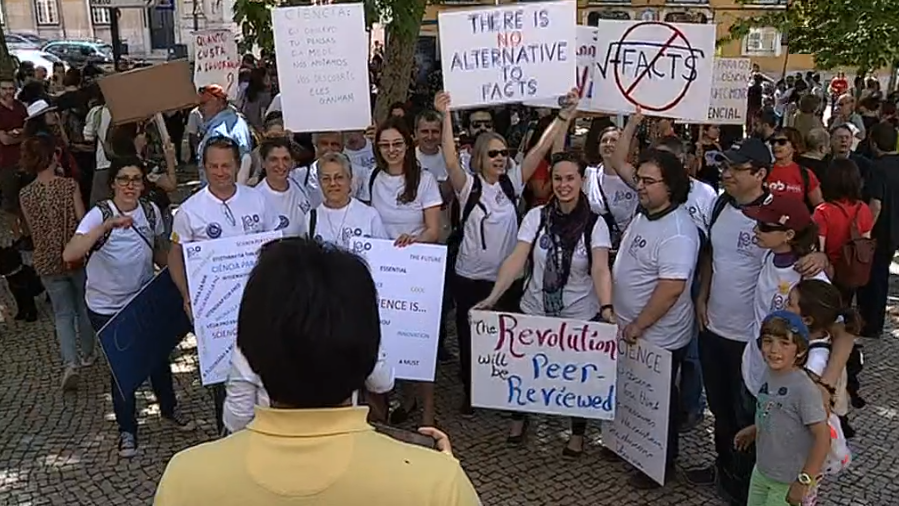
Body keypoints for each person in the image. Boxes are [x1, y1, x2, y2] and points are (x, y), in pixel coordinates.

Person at [154, 238, 480, 506]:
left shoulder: (186, 480)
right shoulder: (436, 483)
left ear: (248, 351)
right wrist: (441, 473)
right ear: (369, 349)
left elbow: (235, 417)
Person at [435, 90, 569, 414]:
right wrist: (445, 114)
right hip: (470, 277)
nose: (499, 158)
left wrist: (564, 116)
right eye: (492, 153)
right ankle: (471, 390)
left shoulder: (512, 183)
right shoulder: (469, 186)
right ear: (480, 157)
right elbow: (450, 158)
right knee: (469, 337)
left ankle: (505, 390)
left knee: (508, 336)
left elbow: (539, 150)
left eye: (503, 153)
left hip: (506, 280)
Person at [62, 157, 194, 458]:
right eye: (124, 179)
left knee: (158, 356)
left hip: (142, 299)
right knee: (124, 367)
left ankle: (169, 408)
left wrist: (184, 274)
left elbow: (158, 251)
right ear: (113, 183)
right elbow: (70, 253)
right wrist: (107, 226)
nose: (130, 185)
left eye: (136, 179)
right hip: (106, 307)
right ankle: (127, 429)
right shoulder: (99, 214)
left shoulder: (150, 211)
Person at [168, 136, 280, 435]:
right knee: (223, 375)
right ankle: (227, 436)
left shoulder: (257, 199)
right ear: (204, 167)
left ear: (237, 165)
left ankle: (266, 433)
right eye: (214, 166)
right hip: (215, 311)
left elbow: (274, 245)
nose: (220, 172)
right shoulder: (190, 210)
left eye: (226, 165)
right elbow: (175, 255)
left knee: (264, 367)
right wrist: (186, 295)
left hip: (258, 303)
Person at [612, 149, 699, 488]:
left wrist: (639, 325)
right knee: (633, 394)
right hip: (631, 330)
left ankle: (660, 465)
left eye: (648, 181)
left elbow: (671, 288)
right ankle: (629, 445)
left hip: (658, 337)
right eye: (639, 179)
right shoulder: (645, 214)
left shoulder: (678, 231)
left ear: (670, 186)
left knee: (658, 402)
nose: (640, 186)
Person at [367, 117, 442, 427]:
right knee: (390, 338)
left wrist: (415, 239)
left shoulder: (425, 180)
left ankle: (427, 414)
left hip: (417, 269)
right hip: (384, 271)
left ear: (408, 144)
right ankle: (398, 402)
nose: (391, 150)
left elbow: (434, 229)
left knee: (420, 341)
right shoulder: (372, 177)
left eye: (397, 143)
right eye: (385, 145)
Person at [18, 135, 94, 390]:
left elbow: (32, 230)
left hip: (46, 259)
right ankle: (88, 353)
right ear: (53, 156)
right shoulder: (69, 186)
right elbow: (82, 220)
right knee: (83, 306)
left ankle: (70, 362)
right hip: (73, 255)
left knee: (62, 313)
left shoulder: (25, 194)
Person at [734, 311, 830, 506]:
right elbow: (777, 411)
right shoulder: (768, 374)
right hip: (762, 471)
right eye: (768, 341)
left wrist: (804, 481)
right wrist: (755, 429)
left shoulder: (804, 389)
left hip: (788, 481)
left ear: (800, 350)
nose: (774, 350)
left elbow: (823, 437)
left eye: (784, 343)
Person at [787, 279, 858, 436]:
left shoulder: (816, 362)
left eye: (790, 304)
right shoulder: (816, 341)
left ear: (807, 320)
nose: (785, 307)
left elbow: (804, 404)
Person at [812, 158, 873, 303]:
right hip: (852, 272)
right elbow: (866, 243)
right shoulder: (864, 209)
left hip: (829, 272)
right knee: (845, 305)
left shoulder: (823, 211)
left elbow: (819, 248)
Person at [305, 152, 387, 245]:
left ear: (350, 179)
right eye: (326, 179)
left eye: (339, 177)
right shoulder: (311, 218)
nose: (332, 183)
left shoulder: (369, 215)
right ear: (319, 182)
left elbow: (382, 249)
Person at [196, 85, 253, 185]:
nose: (199, 109)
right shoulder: (239, 121)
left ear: (220, 103)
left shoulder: (218, 132)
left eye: (204, 103)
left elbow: (219, 169)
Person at [255, 136, 309, 237]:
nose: (281, 165)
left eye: (285, 159)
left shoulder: (299, 186)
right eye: (274, 159)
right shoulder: (256, 198)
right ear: (263, 163)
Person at [0, 77, 28, 244]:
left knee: (24, 199)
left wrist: (15, 135)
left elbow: (28, 130)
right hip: (6, 162)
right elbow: (5, 140)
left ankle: (27, 233)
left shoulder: (19, 107)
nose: (8, 92)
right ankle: (17, 236)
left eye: (10, 88)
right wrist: (18, 136)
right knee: (10, 201)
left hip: (24, 159)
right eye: (4, 89)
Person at [766, 127, 823, 208]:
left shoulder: (805, 174)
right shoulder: (764, 171)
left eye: (782, 142)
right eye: (772, 142)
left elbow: (819, 206)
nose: (775, 145)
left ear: (794, 146)